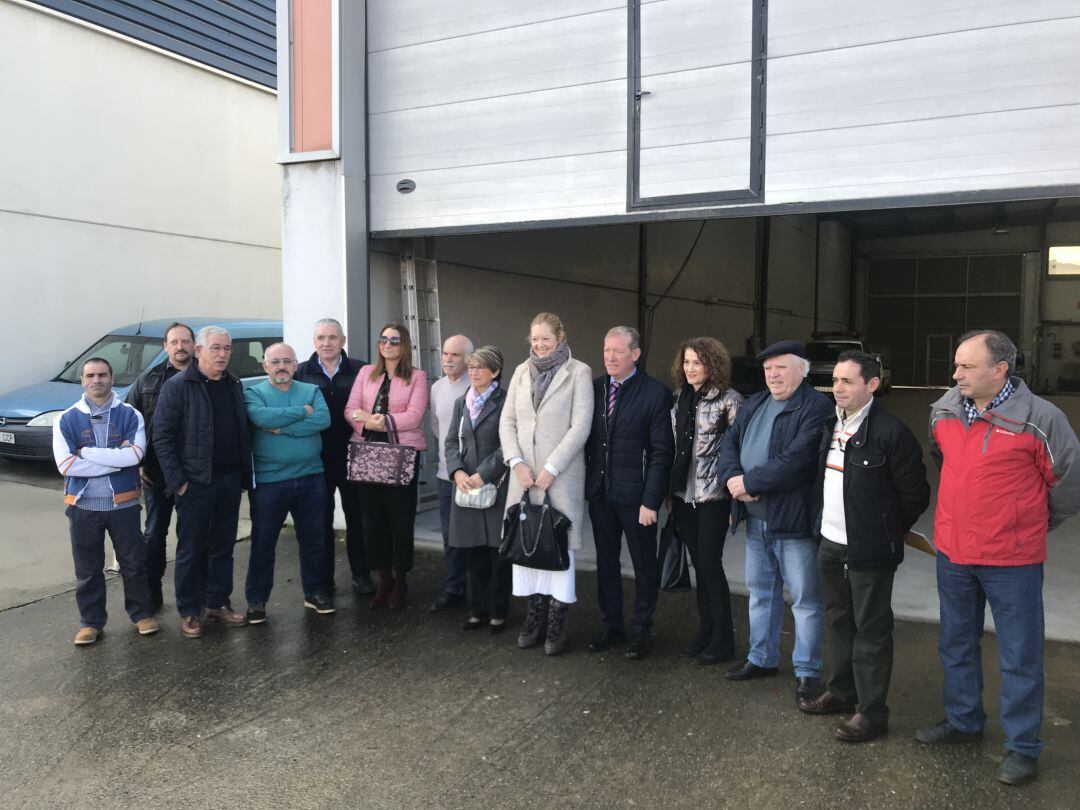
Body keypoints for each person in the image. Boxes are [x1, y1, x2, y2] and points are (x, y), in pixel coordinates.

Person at [916, 330, 1080, 787]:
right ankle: (964, 722)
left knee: (1020, 655)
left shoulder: (1040, 419)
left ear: (1000, 369)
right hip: (954, 553)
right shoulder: (944, 410)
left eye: (966, 367)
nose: (956, 374)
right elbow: (943, 461)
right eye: (956, 365)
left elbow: (1068, 480)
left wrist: (1032, 522)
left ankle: (1022, 747)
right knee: (955, 644)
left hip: (1014, 560)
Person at [801, 351, 929, 743]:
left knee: (871, 629)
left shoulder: (891, 433)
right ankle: (841, 692)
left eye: (847, 381)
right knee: (839, 621)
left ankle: (871, 713)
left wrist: (884, 533)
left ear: (872, 385)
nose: (837, 388)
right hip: (830, 544)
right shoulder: (830, 425)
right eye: (835, 381)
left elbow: (915, 495)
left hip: (869, 551)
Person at [718, 340, 832, 702]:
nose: (772, 374)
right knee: (761, 593)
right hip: (756, 520)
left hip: (793, 520)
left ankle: (807, 672)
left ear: (803, 369)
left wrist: (750, 482)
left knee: (804, 599)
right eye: (768, 369)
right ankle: (761, 658)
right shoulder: (755, 404)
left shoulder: (817, 407)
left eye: (781, 367)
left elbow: (797, 460)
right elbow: (729, 445)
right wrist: (734, 479)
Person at [500, 312, 593, 655]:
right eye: (535, 339)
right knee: (527, 547)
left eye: (546, 339)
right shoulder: (521, 372)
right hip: (523, 478)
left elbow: (580, 426)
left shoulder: (578, 372)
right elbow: (507, 421)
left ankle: (557, 622)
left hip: (560, 477)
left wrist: (552, 467)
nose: (539, 345)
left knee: (556, 547)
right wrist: (516, 462)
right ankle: (534, 617)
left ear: (560, 337)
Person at [153, 325, 252, 638]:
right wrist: (177, 482)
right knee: (191, 549)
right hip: (195, 484)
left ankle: (217, 603)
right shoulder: (179, 386)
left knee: (223, 546)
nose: (222, 354)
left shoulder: (233, 383)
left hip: (228, 480)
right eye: (216, 348)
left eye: (226, 349)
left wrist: (242, 476)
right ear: (199, 351)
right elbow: (162, 436)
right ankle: (190, 610)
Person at [583, 326, 674, 660]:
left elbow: (662, 452)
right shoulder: (593, 390)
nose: (610, 357)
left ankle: (641, 630)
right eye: (606, 350)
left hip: (637, 499)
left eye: (618, 351)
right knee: (606, 562)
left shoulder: (655, 394)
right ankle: (611, 625)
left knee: (643, 565)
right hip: (601, 494)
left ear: (635, 354)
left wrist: (651, 501)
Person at [52, 358, 157, 644]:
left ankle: (141, 614)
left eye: (102, 374)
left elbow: (135, 456)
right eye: (90, 375)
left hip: (123, 504)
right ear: (83, 381)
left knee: (133, 563)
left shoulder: (130, 415)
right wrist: (116, 458)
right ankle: (91, 622)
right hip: (83, 505)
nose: (96, 380)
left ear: (112, 378)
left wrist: (86, 453)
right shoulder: (66, 419)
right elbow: (65, 465)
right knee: (87, 568)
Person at [243, 343, 335, 623]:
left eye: (287, 361)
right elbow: (260, 417)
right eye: (275, 362)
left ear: (296, 365)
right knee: (263, 543)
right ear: (265, 366)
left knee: (315, 541)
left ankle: (315, 593)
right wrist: (302, 412)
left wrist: (282, 429)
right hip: (270, 482)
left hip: (311, 477)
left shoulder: (311, 391)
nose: (281, 366)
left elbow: (324, 419)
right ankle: (257, 601)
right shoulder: (253, 393)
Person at [669, 337, 743, 664]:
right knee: (699, 564)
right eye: (686, 362)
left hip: (714, 497)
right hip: (684, 495)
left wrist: (734, 500)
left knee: (711, 565)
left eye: (696, 363)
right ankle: (705, 630)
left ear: (712, 365)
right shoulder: (678, 398)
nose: (689, 369)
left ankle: (724, 640)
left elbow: (739, 450)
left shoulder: (730, 401)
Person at [346, 323, 429, 610]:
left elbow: (415, 415)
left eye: (394, 340)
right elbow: (350, 409)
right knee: (373, 521)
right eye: (384, 339)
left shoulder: (417, 377)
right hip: (368, 453)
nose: (388, 344)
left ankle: (401, 579)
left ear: (404, 344)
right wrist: (367, 421)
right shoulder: (365, 373)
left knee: (400, 520)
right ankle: (384, 580)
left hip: (402, 455)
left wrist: (381, 420)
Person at [295, 317, 372, 594]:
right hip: (316, 460)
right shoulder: (301, 372)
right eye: (320, 338)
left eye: (332, 337)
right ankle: (323, 580)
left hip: (354, 456)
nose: (326, 343)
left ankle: (361, 574)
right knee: (319, 522)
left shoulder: (362, 370)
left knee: (358, 520)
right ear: (314, 341)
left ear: (343, 341)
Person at [125, 321, 195, 611]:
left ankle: (192, 595)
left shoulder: (206, 377)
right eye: (174, 342)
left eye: (185, 341)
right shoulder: (148, 380)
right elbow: (130, 422)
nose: (180, 347)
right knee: (154, 534)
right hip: (156, 474)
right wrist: (137, 462)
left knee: (192, 536)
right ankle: (151, 594)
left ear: (194, 345)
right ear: (166, 347)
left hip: (194, 472)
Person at [445, 346, 511, 632]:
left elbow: (507, 444)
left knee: (497, 555)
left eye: (480, 367)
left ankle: (498, 611)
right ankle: (477, 610)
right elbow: (450, 442)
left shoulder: (506, 401)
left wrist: (483, 474)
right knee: (473, 554)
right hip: (466, 488)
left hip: (495, 486)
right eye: (471, 367)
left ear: (495, 372)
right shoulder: (463, 402)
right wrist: (457, 470)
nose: (473, 372)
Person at [428, 334, 474, 612]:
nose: (448, 359)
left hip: (475, 476)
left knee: (477, 538)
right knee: (451, 536)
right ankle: (454, 588)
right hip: (447, 476)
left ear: (469, 358)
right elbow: (437, 426)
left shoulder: (479, 386)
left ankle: (481, 591)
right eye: (445, 353)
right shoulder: (436, 388)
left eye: (455, 355)